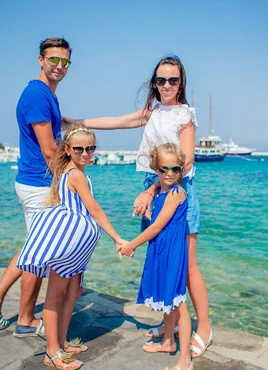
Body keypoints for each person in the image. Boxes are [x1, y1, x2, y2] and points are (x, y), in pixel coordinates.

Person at [74, 55, 213, 357]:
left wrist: (152, 190)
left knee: (186, 266)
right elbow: (116, 122)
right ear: (154, 83)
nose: (166, 85)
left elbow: (184, 163)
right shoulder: (152, 111)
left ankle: (203, 327)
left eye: (173, 80)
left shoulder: (185, 116)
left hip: (176, 191)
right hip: (156, 188)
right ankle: (169, 324)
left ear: (181, 82)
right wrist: (76, 123)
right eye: (161, 80)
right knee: (164, 260)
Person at [0, 37, 72, 337]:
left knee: (33, 247)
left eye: (64, 62)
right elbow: (47, 150)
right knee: (38, 254)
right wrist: (74, 175)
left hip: (35, 183)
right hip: (39, 185)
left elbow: (49, 137)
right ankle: (26, 319)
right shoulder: (37, 95)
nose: (59, 66)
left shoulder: (46, 96)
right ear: (41, 60)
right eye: (53, 60)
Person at [17, 125, 125, 369]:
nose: (85, 153)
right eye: (79, 149)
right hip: (67, 244)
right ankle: (51, 351)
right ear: (67, 149)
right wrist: (117, 238)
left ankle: (62, 341)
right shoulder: (74, 174)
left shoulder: (74, 171)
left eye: (90, 148)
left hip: (76, 245)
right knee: (55, 296)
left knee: (74, 291)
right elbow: (94, 209)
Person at [119, 143, 192, 370]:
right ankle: (168, 341)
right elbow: (155, 222)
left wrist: (131, 245)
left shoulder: (177, 193)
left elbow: (157, 228)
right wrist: (147, 213)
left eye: (175, 169)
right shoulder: (159, 192)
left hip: (172, 252)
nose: (169, 174)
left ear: (182, 169)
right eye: (163, 169)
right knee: (167, 300)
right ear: (155, 169)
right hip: (161, 250)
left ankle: (185, 360)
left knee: (179, 305)